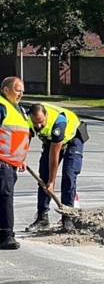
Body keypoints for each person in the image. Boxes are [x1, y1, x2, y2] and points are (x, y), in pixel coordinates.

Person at [27, 102, 87, 233]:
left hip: (73, 139)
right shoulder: (28, 120)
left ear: (46, 116)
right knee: (43, 177)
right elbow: (25, 139)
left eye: (41, 122)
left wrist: (52, 182)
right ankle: (42, 218)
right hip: (51, 141)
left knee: (69, 175)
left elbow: (54, 155)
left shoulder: (58, 123)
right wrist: (20, 157)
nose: (38, 126)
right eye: (35, 122)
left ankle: (68, 218)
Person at [0, 77, 31, 251]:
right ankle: (6, 235)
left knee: (4, 197)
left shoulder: (19, 109)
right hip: (2, 161)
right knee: (5, 197)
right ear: (6, 90)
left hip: (12, 163)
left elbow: (20, 136)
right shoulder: (1, 106)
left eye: (22, 91)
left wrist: (21, 159)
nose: (21, 93)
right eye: (18, 90)